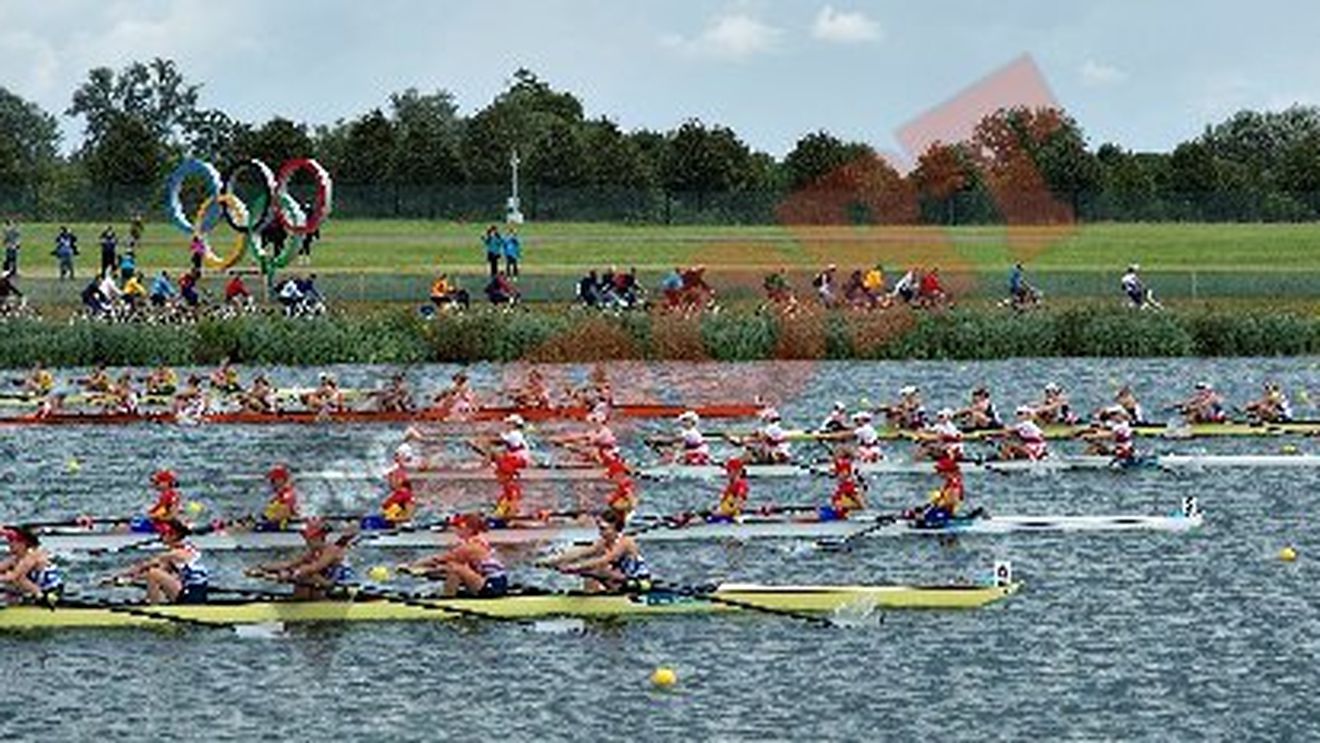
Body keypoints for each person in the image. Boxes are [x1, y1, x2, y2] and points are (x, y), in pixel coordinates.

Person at [539, 509, 650, 593]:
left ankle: (604, 598)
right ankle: (592, 598)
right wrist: (551, 560)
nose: (600, 532)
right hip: (619, 580)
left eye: (603, 529)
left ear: (616, 528)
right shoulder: (603, 542)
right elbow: (581, 552)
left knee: (598, 569)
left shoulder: (625, 542)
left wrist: (575, 567)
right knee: (589, 575)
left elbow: (605, 560)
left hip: (638, 582)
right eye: (599, 528)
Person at [403, 513, 508, 598]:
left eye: (459, 527)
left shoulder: (472, 546)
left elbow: (440, 559)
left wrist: (413, 566)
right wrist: (426, 572)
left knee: (454, 568)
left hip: (494, 586)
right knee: (452, 570)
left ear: (469, 529)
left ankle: (446, 600)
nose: (455, 530)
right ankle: (448, 596)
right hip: (484, 581)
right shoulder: (471, 541)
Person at [247, 518, 354, 600]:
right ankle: (303, 603)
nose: (306, 540)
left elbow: (314, 568)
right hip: (323, 580)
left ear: (319, 537)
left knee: (304, 575)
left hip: (338, 585)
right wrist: (261, 567)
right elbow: (290, 563)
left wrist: (289, 574)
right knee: (302, 576)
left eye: (308, 537)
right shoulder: (313, 550)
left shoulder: (331, 549)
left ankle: (306, 604)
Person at [113, 519, 209, 604]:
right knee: (154, 573)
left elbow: (143, 566)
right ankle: (155, 601)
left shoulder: (174, 554)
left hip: (191, 596)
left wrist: (118, 575)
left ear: (174, 535)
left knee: (153, 573)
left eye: (164, 533)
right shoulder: (188, 548)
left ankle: (153, 605)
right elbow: (154, 570)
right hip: (198, 592)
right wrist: (129, 580)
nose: (161, 536)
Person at [0, 526, 64, 604]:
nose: (9, 544)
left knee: (18, 578)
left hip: (53, 592)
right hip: (39, 590)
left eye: (12, 541)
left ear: (23, 543)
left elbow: (13, 576)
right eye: (9, 540)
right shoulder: (15, 558)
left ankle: (42, 598)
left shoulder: (33, 555)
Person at [818, 450, 865, 521]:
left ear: (846, 472)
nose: (838, 475)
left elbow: (861, 506)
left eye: (840, 472)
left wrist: (843, 505)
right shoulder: (841, 485)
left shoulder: (850, 487)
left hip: (838, 516)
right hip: (831, 511)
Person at [258, 464, 299, 530]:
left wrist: (267, 521)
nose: (271, 482)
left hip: (282, 526)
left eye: (273, 479)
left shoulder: (288, 493)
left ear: (281, 480)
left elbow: (286, 511)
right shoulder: (278, 493)